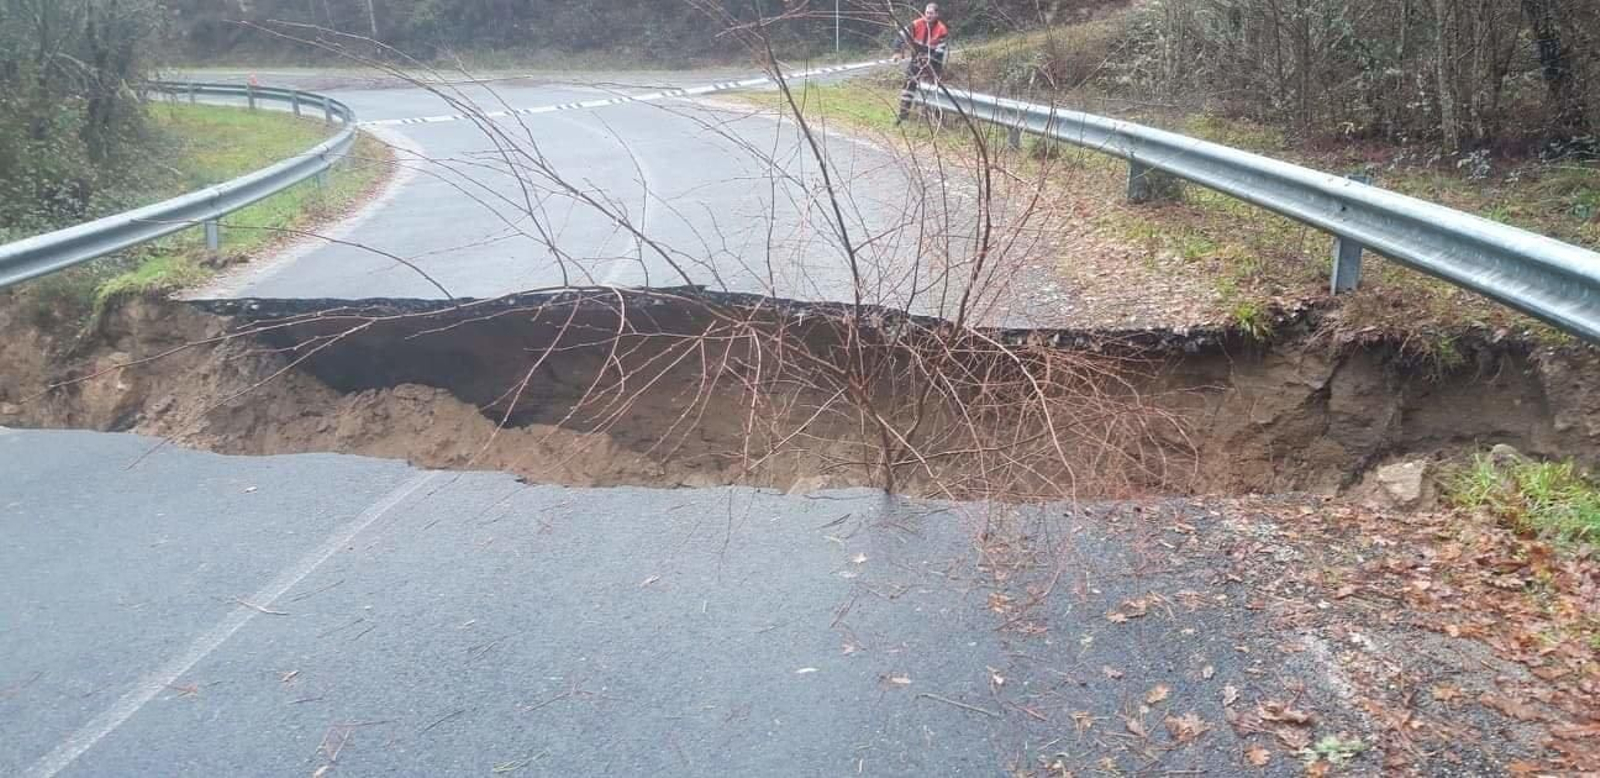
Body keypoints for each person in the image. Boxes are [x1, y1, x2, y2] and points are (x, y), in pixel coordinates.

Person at [893, 3, 950, 124]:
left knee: (935, 90)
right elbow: (900, 35)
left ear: (937, 14)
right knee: (908, 86)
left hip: (933, 63)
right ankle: (903, 116)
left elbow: (940, 52)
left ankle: (938, 119)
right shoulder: (916, 24)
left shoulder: (942, 29)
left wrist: (928, 60)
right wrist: (897, 51)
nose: (928, 15)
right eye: (927, 13)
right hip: (917, 60)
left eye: (931, 13)